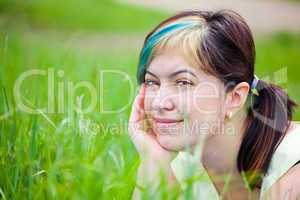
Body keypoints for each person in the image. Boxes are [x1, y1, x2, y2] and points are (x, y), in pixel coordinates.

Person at [128, 9, 300, 199]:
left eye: (183, 82)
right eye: (152, 82)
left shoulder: (293, 171)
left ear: (234, 98)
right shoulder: (182, 169)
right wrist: (154, 159)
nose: (160, 103)